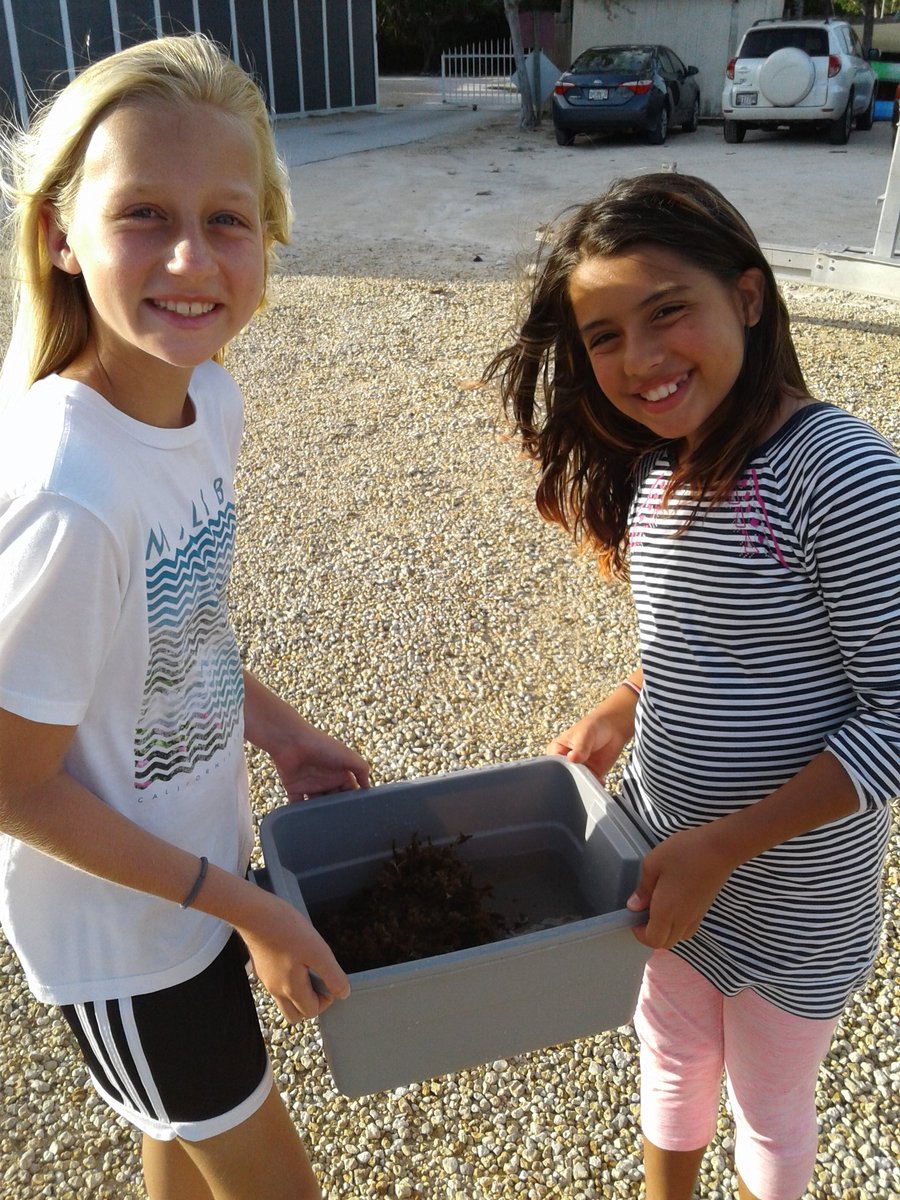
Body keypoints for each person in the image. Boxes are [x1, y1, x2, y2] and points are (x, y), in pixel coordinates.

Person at [0, 34, 370, 1200]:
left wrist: (275, 728)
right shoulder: (70, 491)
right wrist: (248, 907)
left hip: (196, 874)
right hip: (125, 942)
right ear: (61, 232)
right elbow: (13, 782)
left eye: (227, 219)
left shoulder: (205, 401)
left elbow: (180, 618)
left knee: (182, 1142)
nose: (189, 257)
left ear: (268, 240)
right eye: (142, 215)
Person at [481, 173, 899, 1200]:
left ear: (746, 299)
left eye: (669, 313)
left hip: (794, 901)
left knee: (770, 1106)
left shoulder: (839, 472)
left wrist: (727, 845)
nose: (642, 359)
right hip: (662, 858)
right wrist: (625, 703)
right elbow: (706, 640)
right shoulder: (663, 469)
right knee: (667, 1064)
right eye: (606, 336)